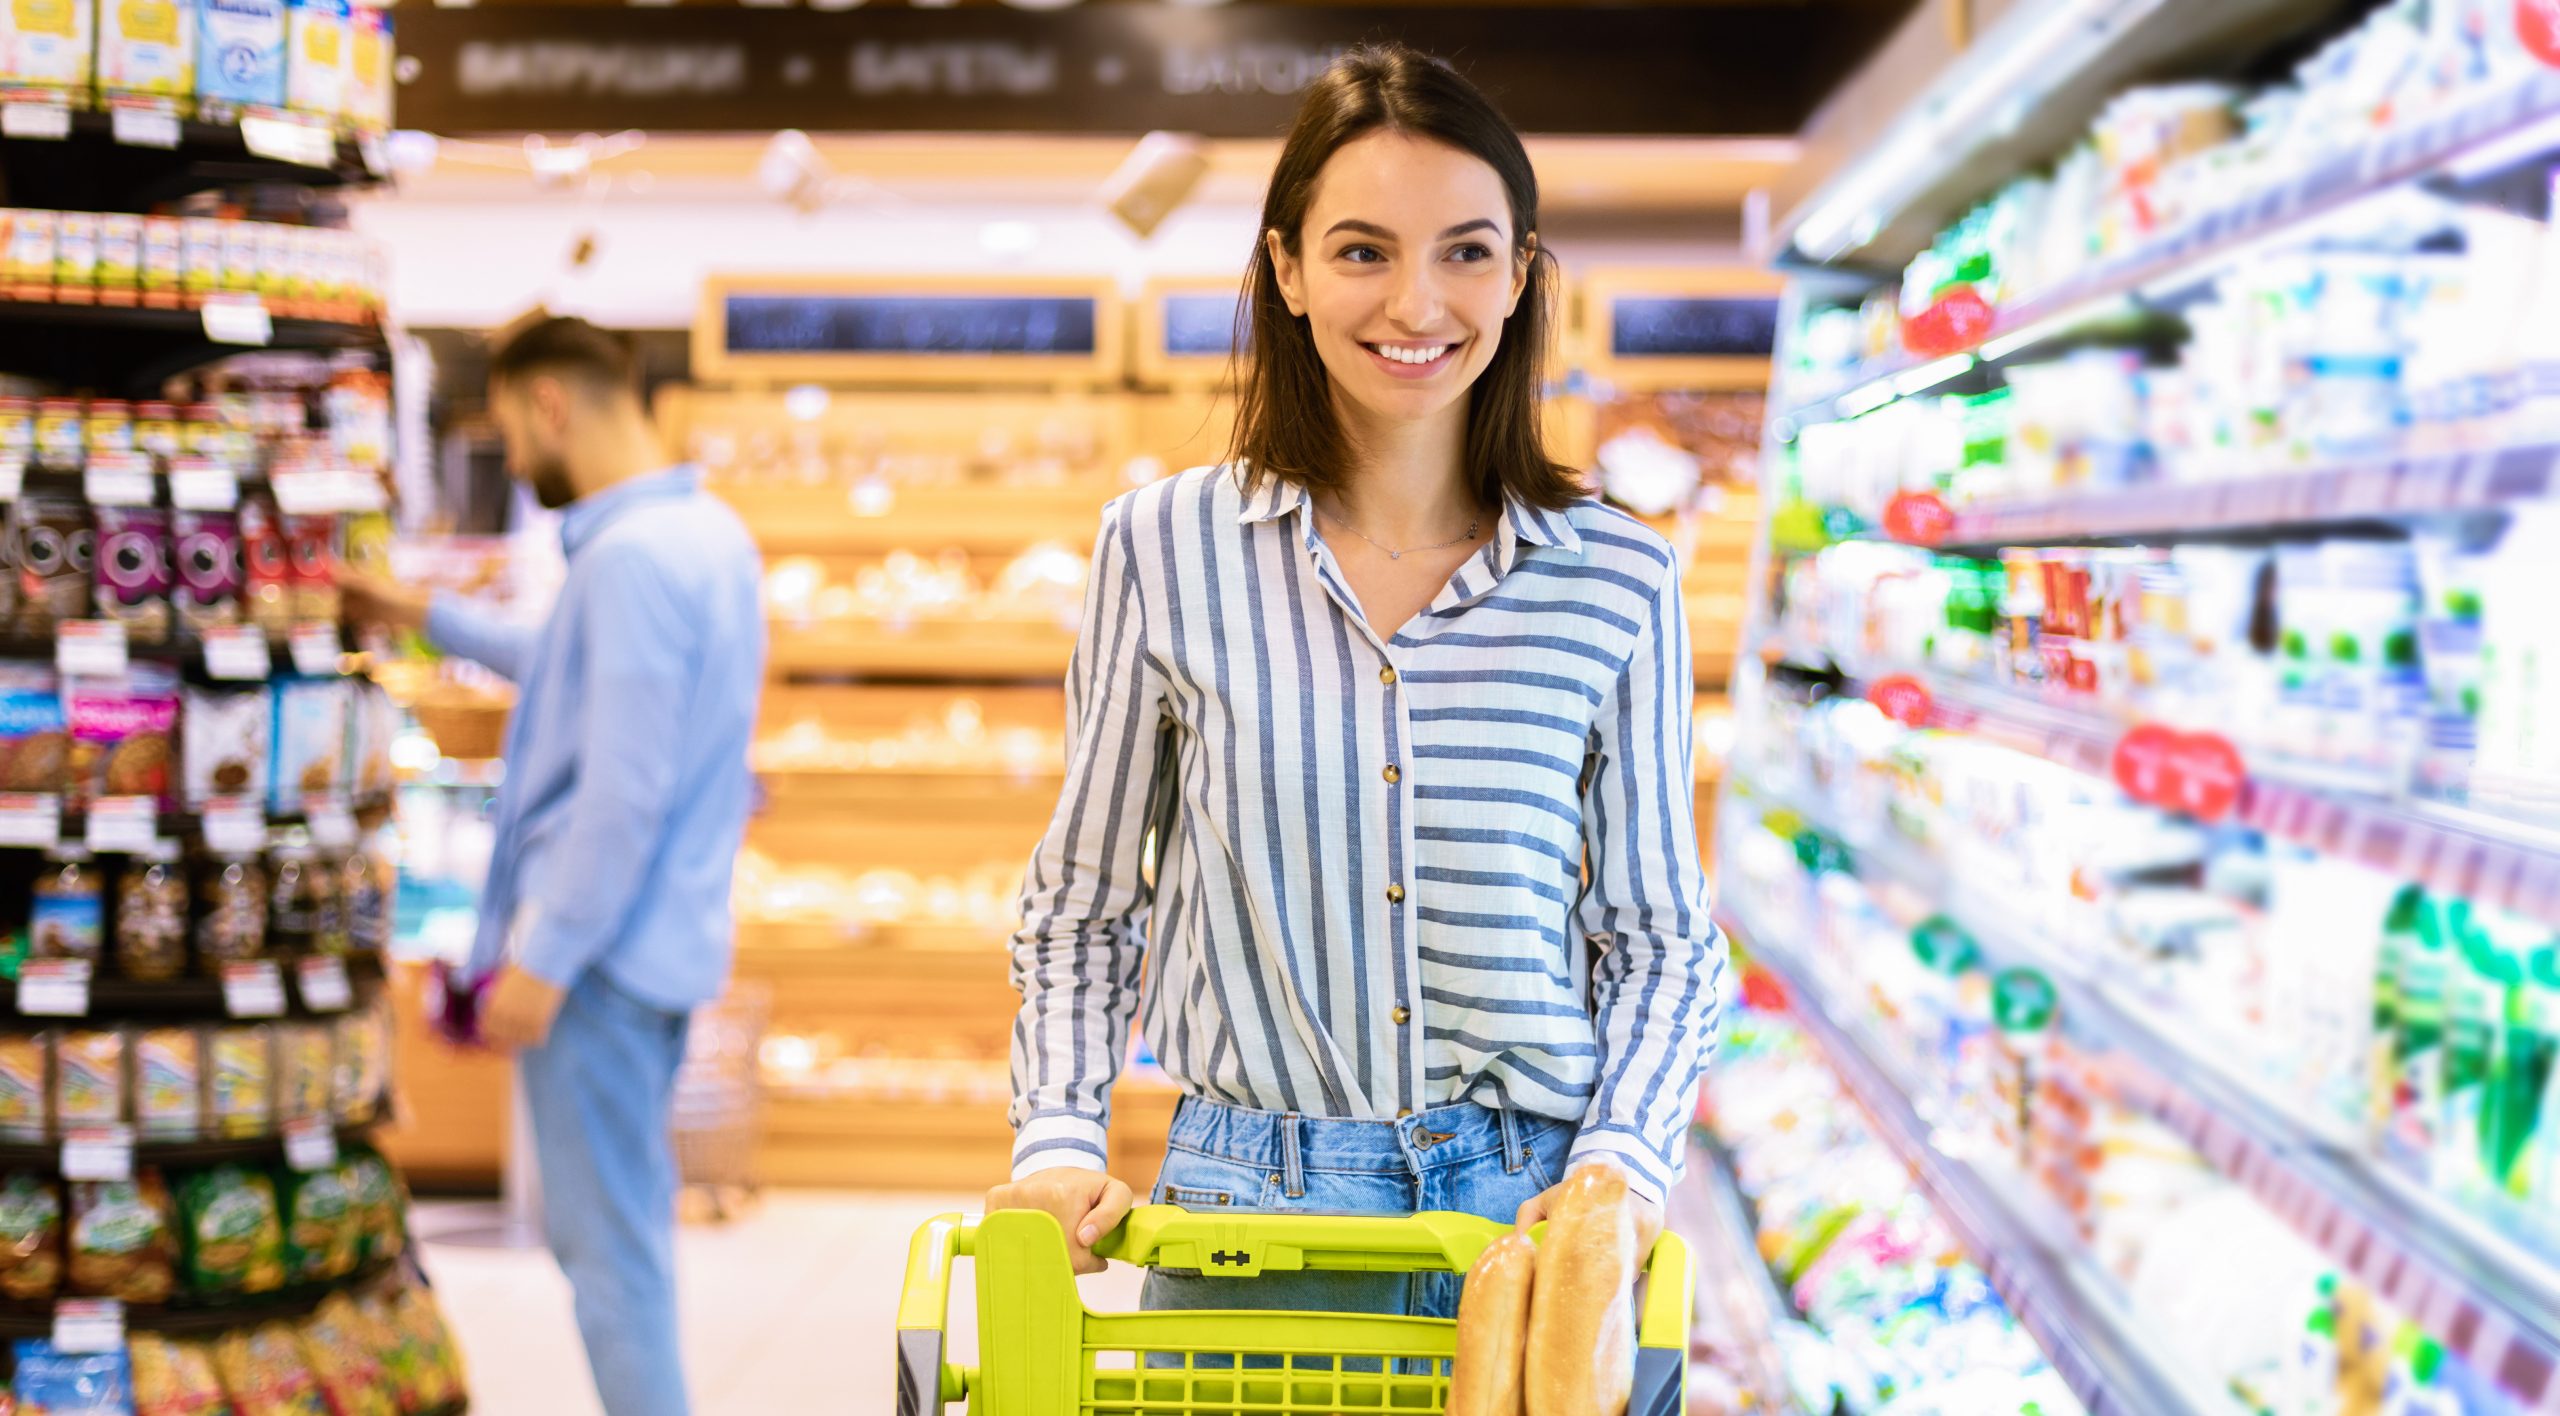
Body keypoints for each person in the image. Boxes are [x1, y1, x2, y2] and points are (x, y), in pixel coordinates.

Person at [988, 43, 1724, 1319]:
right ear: (1285, 269)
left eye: (1466, 251)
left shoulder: (1617, 578)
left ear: (1520, 275)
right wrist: (1057, 1137)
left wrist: (1623, 1162)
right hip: (1241, 1214)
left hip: (1530, 1223)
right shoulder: (1161, 548)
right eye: (1363, 250)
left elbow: (1659, 941)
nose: (1416, 302)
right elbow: (1084, 900)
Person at [338, 315, 764, 1416]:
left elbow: (620, 792)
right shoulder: (701, 536)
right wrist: (419, 614)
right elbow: (572, 664)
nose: (516, 469)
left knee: (605, 1253)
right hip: (659, 946)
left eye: (509, 440)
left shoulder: (627, 560)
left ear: (549, 404)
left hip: (602, 966)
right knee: (628, 1231)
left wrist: (544, 959)